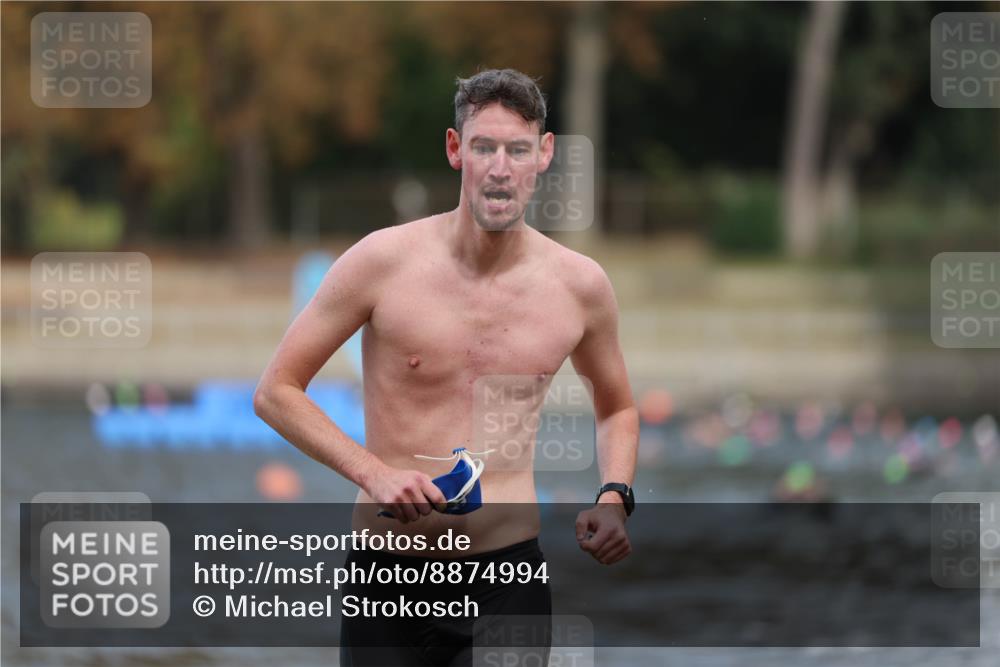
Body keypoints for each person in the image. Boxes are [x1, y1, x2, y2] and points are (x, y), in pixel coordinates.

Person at [254, 68, 639, 666]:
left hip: (505, 580)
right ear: (457, 150)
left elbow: (617, 406)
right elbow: (277, 391)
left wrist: (614, 495)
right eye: (484, 147)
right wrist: (372, 473)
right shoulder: (381, 261)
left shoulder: (579, 287)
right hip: (386, 577)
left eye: (517, 149)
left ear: (544, 154)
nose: (500, 167)